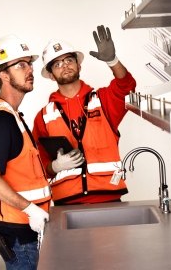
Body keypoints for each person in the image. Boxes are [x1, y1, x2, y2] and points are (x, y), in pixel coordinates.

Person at [32, 25, 136, 205]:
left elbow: (127, 87)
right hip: (67, 204)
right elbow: (39, 165)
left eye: (68, 60)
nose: (64, 66)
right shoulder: (43, 117)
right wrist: (55, 166)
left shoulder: (103, 100)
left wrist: (112, 61)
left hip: (108, 199)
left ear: (79, 65)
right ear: (50, 75)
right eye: (57, 64)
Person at [0, 34, 51, 269]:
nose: (29, 70)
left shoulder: (12, 116)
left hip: (24, 227)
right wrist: (31, 210)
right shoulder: (1, 120)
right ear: (3, 75)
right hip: (18, 232)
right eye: (21, 65)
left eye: (30, 64)